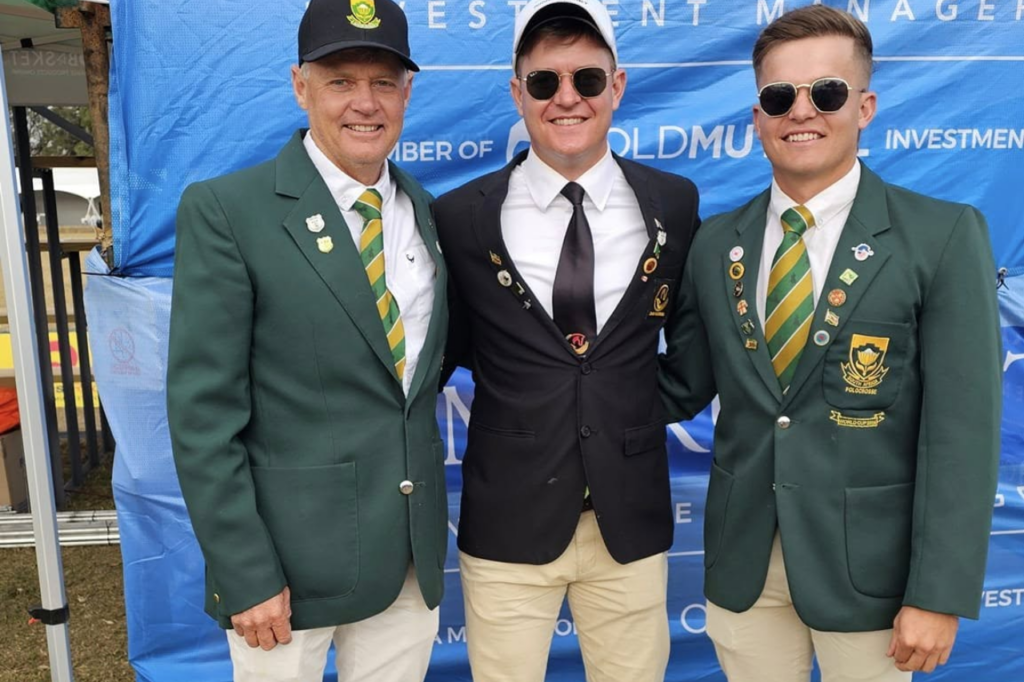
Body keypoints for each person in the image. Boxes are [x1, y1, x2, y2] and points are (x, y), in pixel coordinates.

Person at [659, 5, 1001, 681]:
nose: (801, 111)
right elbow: (681, 385)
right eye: (779, 96)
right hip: (743, 567)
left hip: (874, 578)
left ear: (864, 106)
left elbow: (962, 435)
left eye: (827, 92)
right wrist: (555, 383)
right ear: (757, 116)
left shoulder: (942, 236)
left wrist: (938, 593)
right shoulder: (715, 243)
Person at [166, 0, 449, 680]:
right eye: (340, 81)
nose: (365, 103)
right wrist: (245, 571)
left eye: (383, 82)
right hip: (286, 574)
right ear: (301, 86)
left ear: (407, 92)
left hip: (407, 560)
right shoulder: (228, 211)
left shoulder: (425, 210)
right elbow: (203, 416)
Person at [433, 1, 701, 680]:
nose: (567, 98)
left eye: (587, 78)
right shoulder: (459, 217)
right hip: (507, 522)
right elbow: (447, 347)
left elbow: (694, 349)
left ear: (617, 86)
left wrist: (629, 413)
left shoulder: (674, 203)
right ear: (517, 92)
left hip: (628, 522)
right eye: (544, 81)